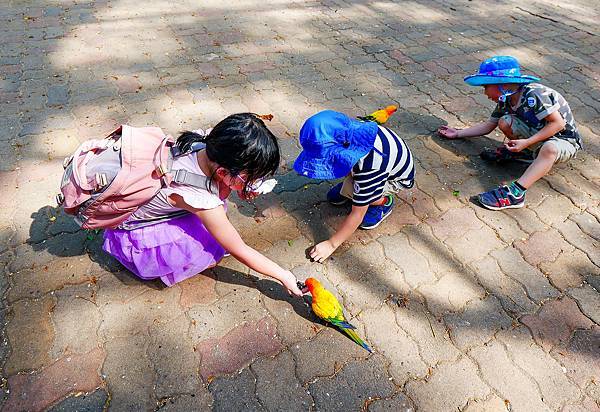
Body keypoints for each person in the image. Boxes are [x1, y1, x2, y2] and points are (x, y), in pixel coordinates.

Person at [103, 113, 303, 296]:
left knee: (217, 214)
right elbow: (239, 249)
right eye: (250, 178)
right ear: (224, 172)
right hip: (132, 234)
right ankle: (152, 258)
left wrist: (240, 185)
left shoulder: (204, 143)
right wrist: (284, 276)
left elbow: (219, 186)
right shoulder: (202, 201)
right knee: (211, 249)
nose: (254, 183)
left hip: (133, 205)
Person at [438, 55, 582, 210]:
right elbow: (489, 125)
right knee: (505, 121)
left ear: (502, 85)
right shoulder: (505, 99)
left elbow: (558, 124)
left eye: (486, 87)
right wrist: (458, 133)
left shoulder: (534, 94)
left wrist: (527, 142)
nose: (485, 93)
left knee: (549, 148)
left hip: (564, 141)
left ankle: (516, 194)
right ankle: (527, 154)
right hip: (539, 136)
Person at [294, 110, 415, 262]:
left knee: (360, 203)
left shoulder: (371, 167)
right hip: (377, 164)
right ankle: (352, 189)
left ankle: (384, 202)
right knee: (348, 191)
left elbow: (357, 214)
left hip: (394, 178)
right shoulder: (352, 132)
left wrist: (331, 244)